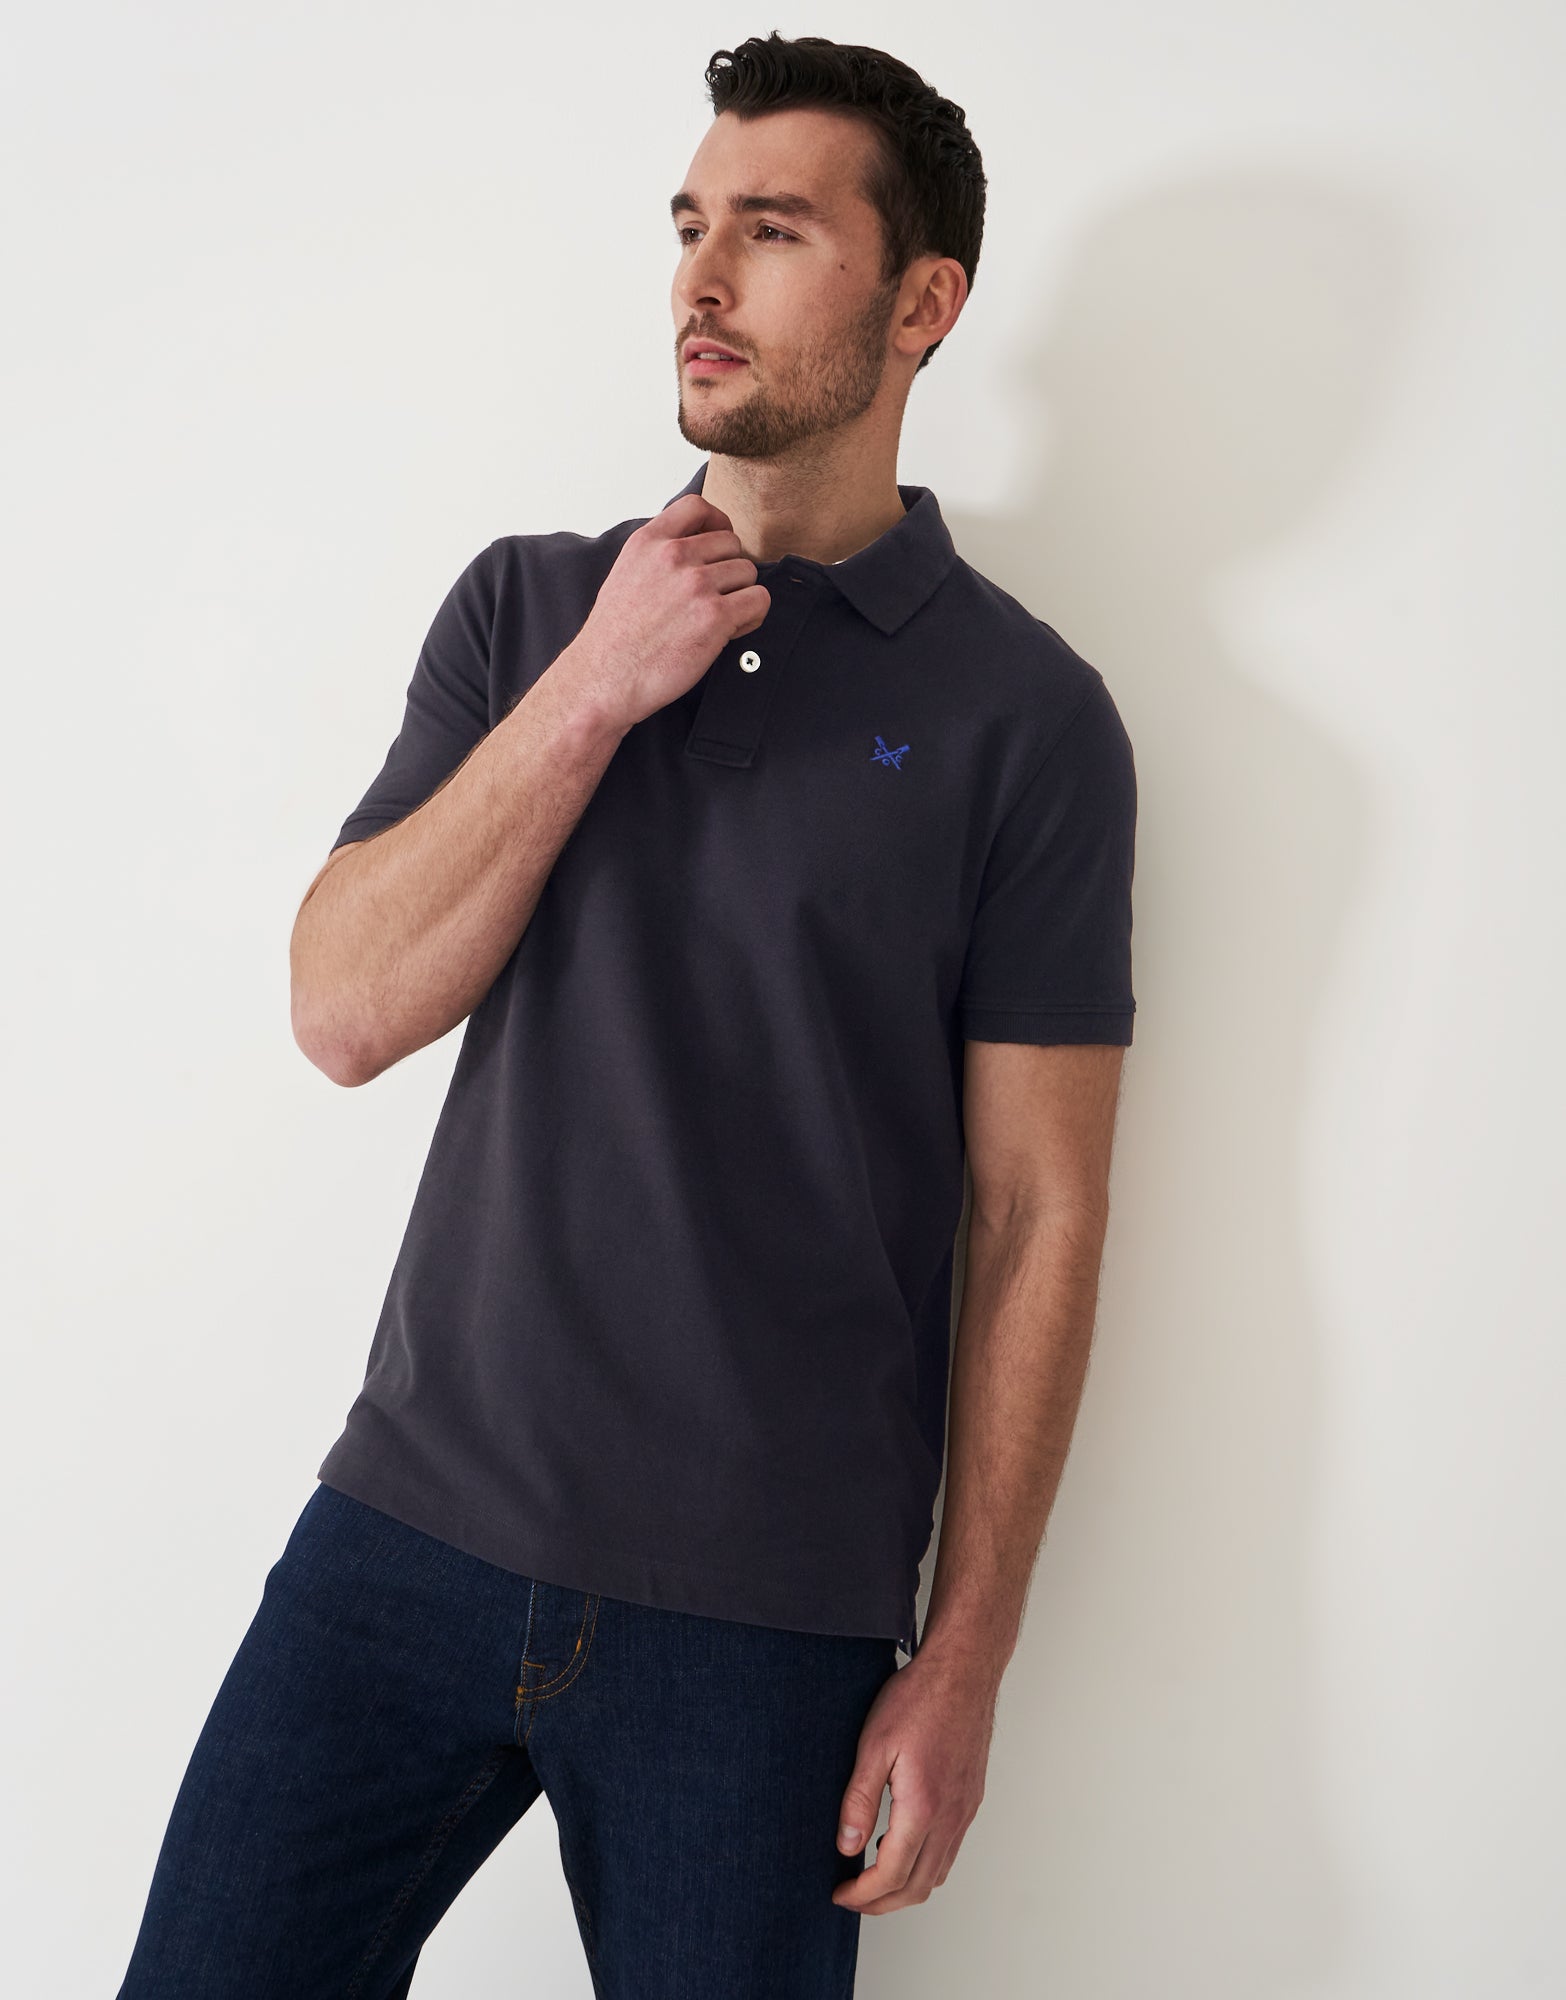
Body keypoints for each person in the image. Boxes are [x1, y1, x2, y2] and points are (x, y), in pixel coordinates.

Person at [115, 29, 1137, 2000]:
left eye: (774, 229)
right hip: (405, 1533)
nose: (701, 278)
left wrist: (967, 1654)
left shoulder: (1029, 722)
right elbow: (343, 1009)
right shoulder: (528, 609)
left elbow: (1040, 1213)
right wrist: (595, 685)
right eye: (688, 225)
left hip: (762, 1620)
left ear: (922, 304)